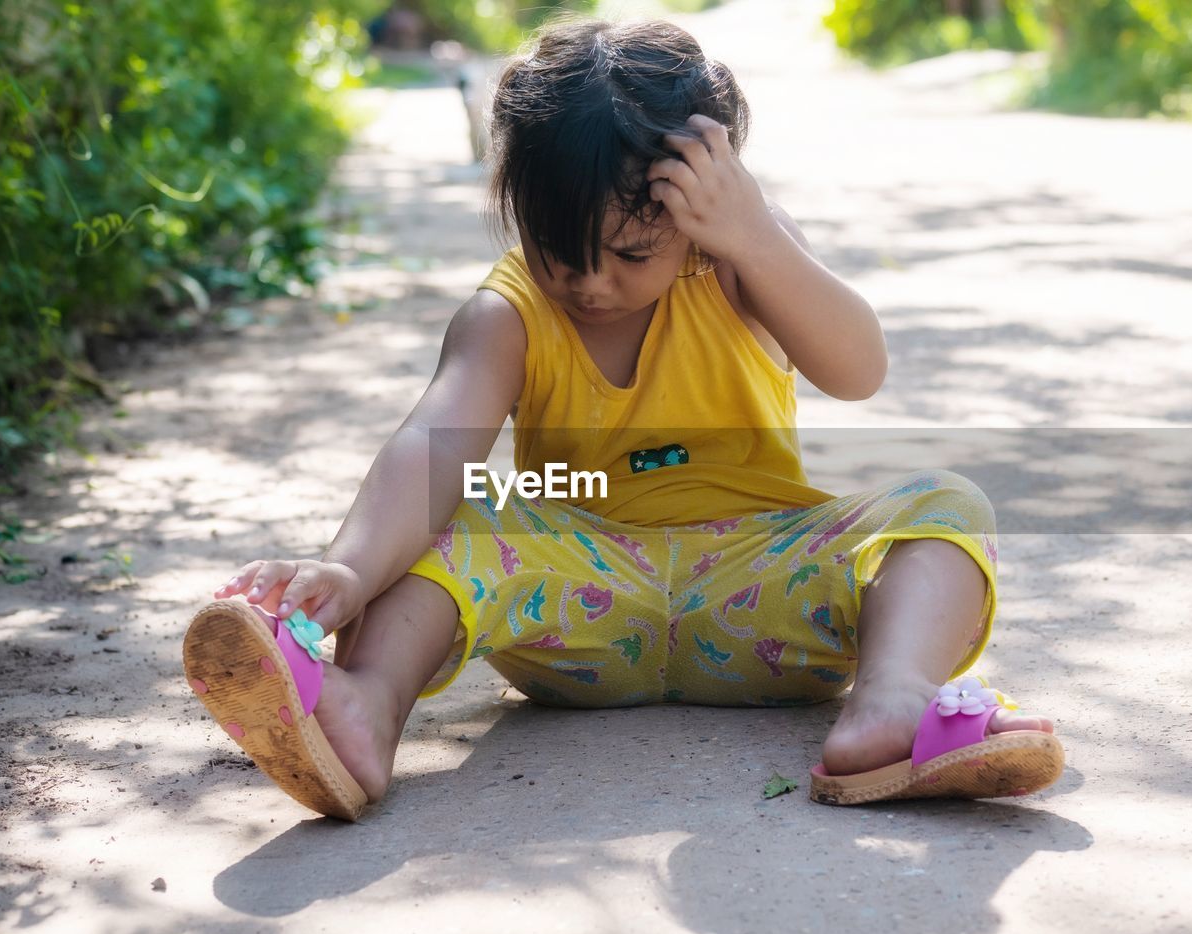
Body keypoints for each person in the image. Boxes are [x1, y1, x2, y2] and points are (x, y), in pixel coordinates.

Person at [183, 17, 1063, 821]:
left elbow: (859, 368)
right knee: (464, 514)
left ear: (699, 208)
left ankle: (892, 704)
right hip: (576, 599)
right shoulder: (510, 314)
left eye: (633, 252)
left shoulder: (735, 263)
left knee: (945, 506)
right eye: (557, 247)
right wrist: (348, 567)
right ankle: (363, 708)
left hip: (763, 589)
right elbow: (431, 443)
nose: (591, 283)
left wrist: (754, 235)